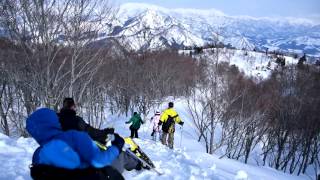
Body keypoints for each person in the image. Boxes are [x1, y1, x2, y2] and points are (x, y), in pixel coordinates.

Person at [26, 108, 125, 180]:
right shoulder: (74, 137)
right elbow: (99, 161)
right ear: (54, 121)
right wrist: (117, 146)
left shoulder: (37, 155)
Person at [57, 97, 142, 173]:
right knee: (117, 153)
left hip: (59, 155)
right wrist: (107, 132)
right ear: (72, 107)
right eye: (74, 107)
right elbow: (92, 133)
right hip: (79, 155)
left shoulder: (56, 119)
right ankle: (137, 164)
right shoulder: (76, 120)